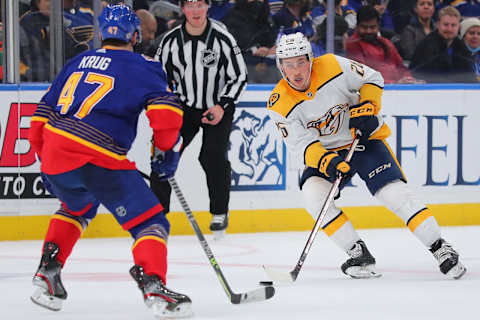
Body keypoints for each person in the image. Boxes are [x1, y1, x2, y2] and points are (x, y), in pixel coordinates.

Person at [28, 4, 193, 319]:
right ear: (134, 35)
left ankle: (47, 272)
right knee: (150, 222)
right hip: (97, 155)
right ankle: (154, 284)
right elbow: (166, 117)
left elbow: (39, 118)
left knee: (76, 207)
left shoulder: (76, 61)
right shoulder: (144, 65)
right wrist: (166, 152)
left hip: (55, 151)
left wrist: (46, 160)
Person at [267, 32, 467, 280]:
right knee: (314, 196)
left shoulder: (332, 64)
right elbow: (301, 145)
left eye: (300, 62)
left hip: (361, 140)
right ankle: (358, 254)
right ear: (280, 66)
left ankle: (440, 248)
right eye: (288, 64)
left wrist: (368, 106)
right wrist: (328, 161)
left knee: (394, 194)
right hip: (327, 152)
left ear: (311, 59)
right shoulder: (278, 103)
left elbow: (372, 79)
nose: (296, 71)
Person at [152, 0, 247, 239]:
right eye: (190, 5)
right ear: (183, 9)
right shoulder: (171, 41)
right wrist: (166, 102)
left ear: (208, 7)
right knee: (162, 155)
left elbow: (239, 76)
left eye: (200, 5)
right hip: (183, 108)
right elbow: (157, 75)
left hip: (217, 107)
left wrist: (222, 105)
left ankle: (219, 213)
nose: (195, 11)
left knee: (212, 156)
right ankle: (157, 218)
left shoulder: (223, 38)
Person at [345, 5, 415, 84]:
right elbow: (361, 76)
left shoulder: (386, 43)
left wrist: (409, 79)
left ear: (378, 26)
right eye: (364, 27)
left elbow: (401, 67)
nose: (368, 31)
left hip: (398, 89)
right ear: (357, 26)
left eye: (372, 27)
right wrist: (394, 83)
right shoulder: (353, 44)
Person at [409, 6, 477, 83]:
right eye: (446, 24)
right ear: (438, 24)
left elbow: (469, 74)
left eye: (453, 25)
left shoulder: (460, 45)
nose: (449, 29)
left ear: (459, 27)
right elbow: (419, 74)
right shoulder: (427, 44)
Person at [460, 17, 480, 81]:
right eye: (471, 33)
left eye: (479, 34)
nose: (475, 37)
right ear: (463, 36)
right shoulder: (455, 55)